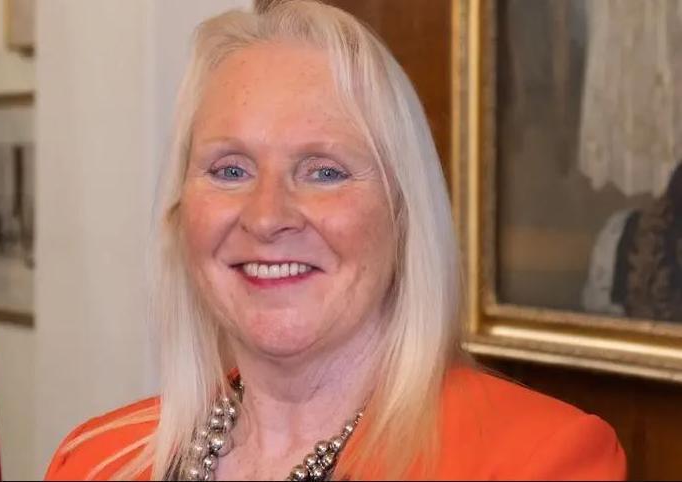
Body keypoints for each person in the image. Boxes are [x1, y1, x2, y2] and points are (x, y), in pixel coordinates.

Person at [45, 1, 626, 480]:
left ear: (404, 215)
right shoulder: (93, 461)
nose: (267, 217)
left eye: (323, 171)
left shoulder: (541, 460)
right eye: (230, 170)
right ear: (180, 213)